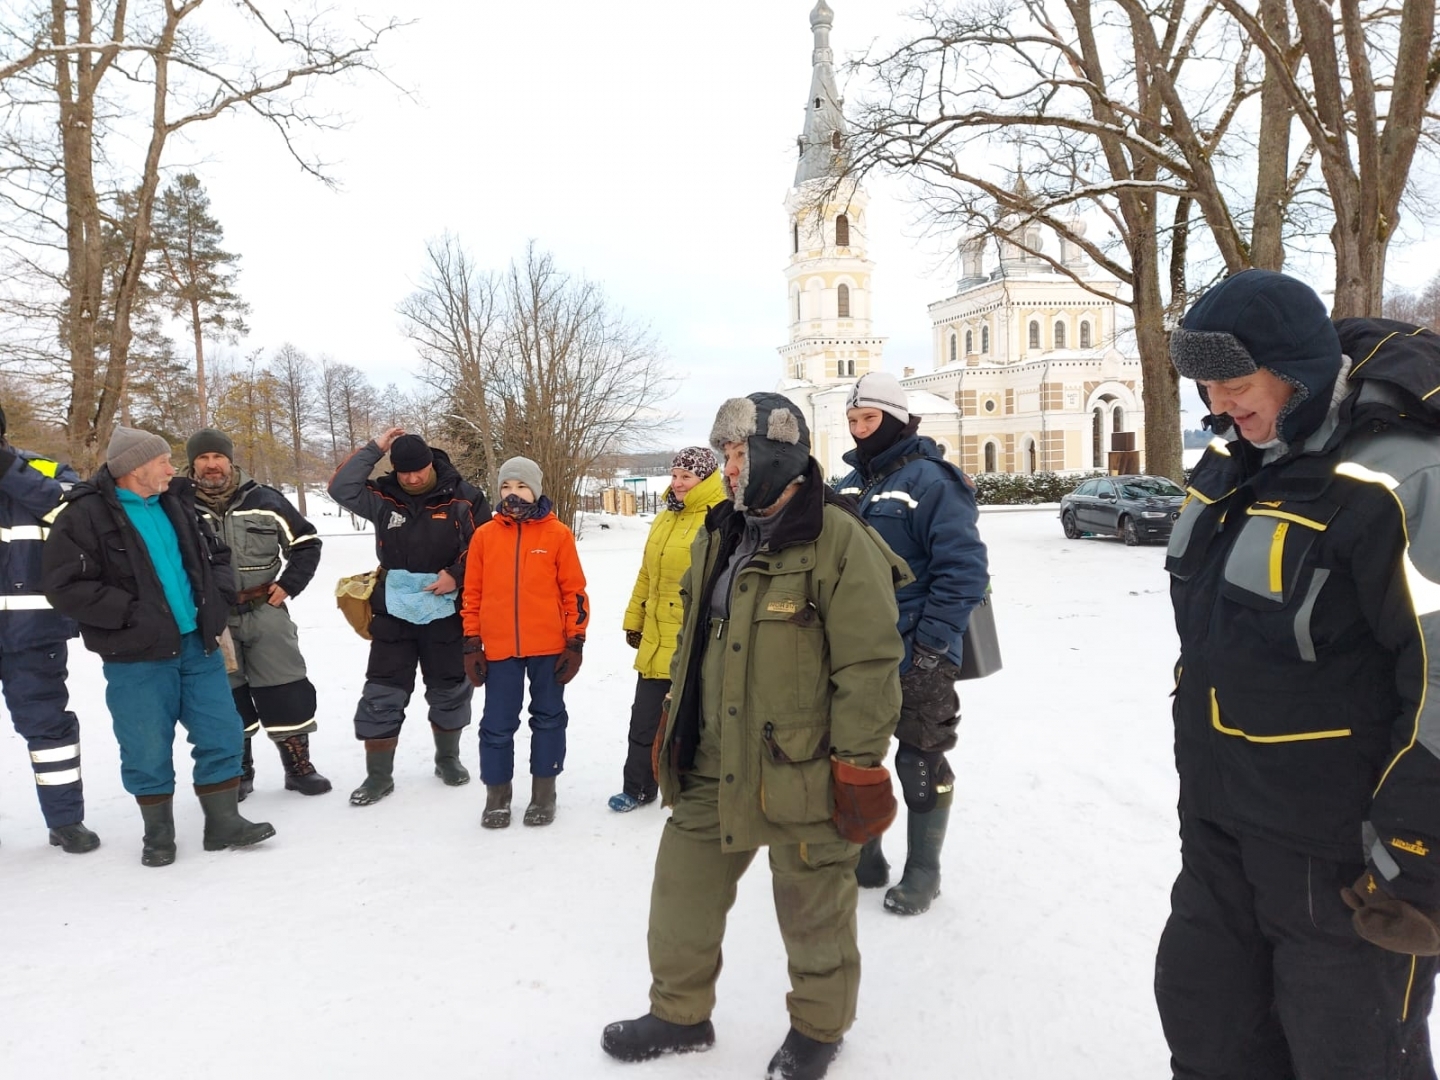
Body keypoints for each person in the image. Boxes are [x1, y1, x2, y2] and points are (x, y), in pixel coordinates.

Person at [1160, 268, 1440, 1077]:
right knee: (1210, 1035)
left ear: (1299, 372)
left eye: (1235, 382)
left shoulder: (1401, 477)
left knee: (1348, 1058)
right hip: (1222, 836)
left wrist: (1414, 849)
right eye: (1208, 385)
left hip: (1346, 867)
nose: (1218, 404)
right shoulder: (1237, 461)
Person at [602, 392, 909, 1080]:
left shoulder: (837, 537)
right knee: (680, 891)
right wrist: (674, 727)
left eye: (741, 455)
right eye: (725, 456)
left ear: (778, 454)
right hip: (714, 759)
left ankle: (819, 1029)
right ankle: (679, 1013)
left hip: (805, 767)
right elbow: (692, 644)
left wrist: (858, 764)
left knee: (812, 910)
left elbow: (870, 663)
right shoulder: (723, 530)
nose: (730, 470)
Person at [42, 426, 274, 866]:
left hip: (198, 645)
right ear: (136, 467)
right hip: (137, 655)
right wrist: (131, 614)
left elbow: (216, 556)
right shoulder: (83, 515)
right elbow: (64, 584)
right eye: (164, 462)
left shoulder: (176, 502)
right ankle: (158, 834)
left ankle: (223, 822)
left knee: (222, 731)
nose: (173, 469)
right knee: (145, 744)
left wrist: (218, 600)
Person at [834, 371, 990, 915]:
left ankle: (924, 869)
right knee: (859, 756)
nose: (859, 430)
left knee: (920, 760)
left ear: (896, 419)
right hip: (859, 652)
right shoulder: (850, 485)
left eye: (869, 419)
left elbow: (964, 571)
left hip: (919, 649)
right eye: (852, 421)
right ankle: (867, 853)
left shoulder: (931, 481)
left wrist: (931, 645)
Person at [328, 427, 488, 806]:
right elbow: (340, 488)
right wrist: (375, 448)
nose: (412, 478)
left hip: (446, 613)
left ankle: (447, 759)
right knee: (382, 692)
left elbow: (484, 547)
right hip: (394, 612)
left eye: (419, 470)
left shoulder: (464, 498)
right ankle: (378, 776)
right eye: (404, 471)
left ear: (432, 463)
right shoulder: (383, 498)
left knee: (450, 689)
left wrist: (456, 575)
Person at [187, 428, 330, 799]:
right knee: (226, 693)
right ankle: (240, 770)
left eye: (217, 456)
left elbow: (306, 542)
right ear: (192, 464)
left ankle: (298, 766)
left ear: (230, 460)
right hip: (212, 616)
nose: (211, 464)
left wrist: (290, 584)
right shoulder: (179, 505)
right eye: (203, 458)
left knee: (285, 686)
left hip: (265, 608)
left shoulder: (264, 499)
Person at [460, 456, 588, 828]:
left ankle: (544, 794)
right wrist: (472, 641)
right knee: (496, 724)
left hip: (549, 648)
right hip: (500, 650)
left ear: (536, 489)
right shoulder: (484, 536)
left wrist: (575, 641)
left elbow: (574, 593)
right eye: (505, 487)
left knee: (548, 719)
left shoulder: (557, 535)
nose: (512, 494)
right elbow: (472, 593)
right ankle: (497, 797)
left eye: (520, 486)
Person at [0, 405, 99, 853]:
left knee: (49, 733)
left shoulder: (42, 468)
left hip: (32, 634)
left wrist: (9, 471)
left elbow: (76, 514)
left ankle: (65, 821)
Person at [612, 447, 725, 813]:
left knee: (697, 724)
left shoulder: (719, 517)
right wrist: (634, 619)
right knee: (644, 718)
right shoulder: (665, 518)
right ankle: (638, 787)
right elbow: (648, 575)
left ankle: (699, 795)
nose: (676, 483)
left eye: (686, 477)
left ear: (706, 480)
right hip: (656, 637)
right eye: (674, 475)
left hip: (695, 639)